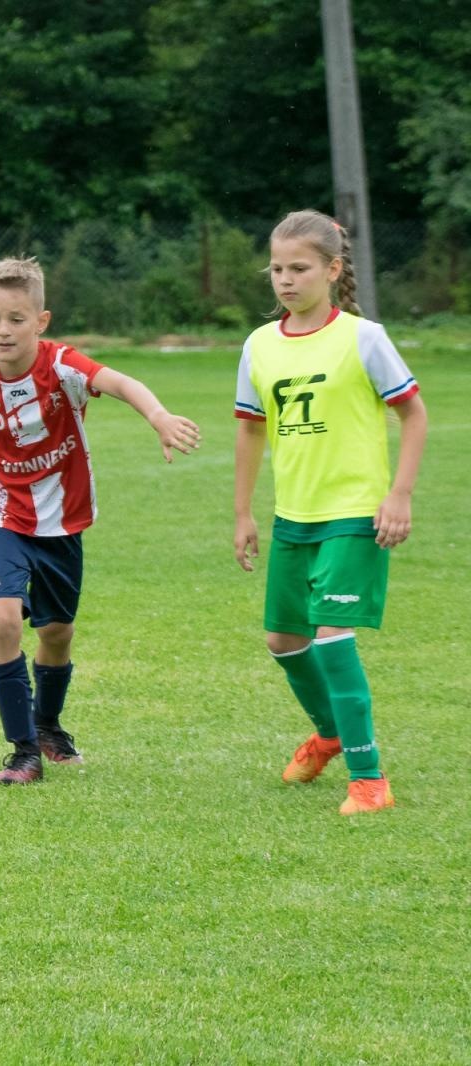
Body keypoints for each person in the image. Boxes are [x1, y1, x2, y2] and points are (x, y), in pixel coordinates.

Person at [0, 257, 200, 784]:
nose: (3, 330)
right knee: (3, 620)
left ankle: (49, 727)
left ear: (41, 320)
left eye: (16, 318)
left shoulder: (63, 368)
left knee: (57, 632)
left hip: (63, 521)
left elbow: (122, 382)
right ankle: (22, 752)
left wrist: (159, 416)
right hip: (3, 517)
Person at [233, 210, 426, 816]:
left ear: (332, 269)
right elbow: (250, 430)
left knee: (332, 638)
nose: (285, 280)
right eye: (277, 269)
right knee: (284, 639)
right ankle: (331, 733)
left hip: (354, 514)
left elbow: (413, 414)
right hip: (295, 516)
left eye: (300, 268)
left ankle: (370, 782)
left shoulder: (363, 337)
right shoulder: (259, 345)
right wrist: (243, 512)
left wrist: (399, 494)